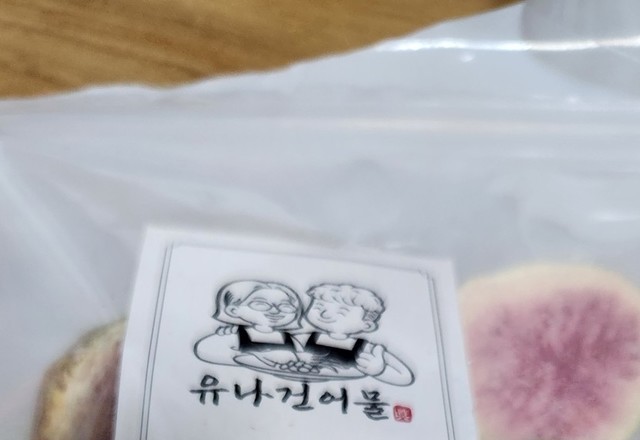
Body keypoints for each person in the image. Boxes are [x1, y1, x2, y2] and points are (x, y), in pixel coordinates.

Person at [300, 283, 414, 386]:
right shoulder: (306, 338)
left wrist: (377, 370)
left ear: (367, 324)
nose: (324, 314)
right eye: (318, 306)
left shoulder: (365, 348)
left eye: (341, 312)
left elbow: (405, 377)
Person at [210, 280, 303, 352]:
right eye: (261, 304)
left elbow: (300, 358)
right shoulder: (233, 334)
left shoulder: (291, 339)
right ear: (233, 310)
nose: (275, 311)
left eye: (285, 306)